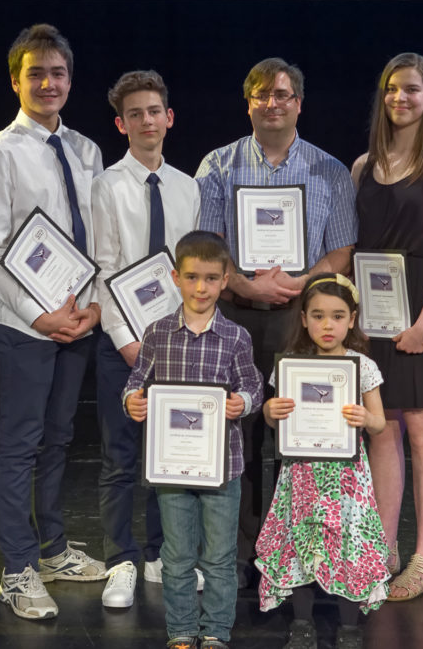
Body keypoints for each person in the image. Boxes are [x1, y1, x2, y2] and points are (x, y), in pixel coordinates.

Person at [196, 57, 357, 584]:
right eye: (262, 94)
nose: (273, 103)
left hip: (300, 322)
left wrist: (300, 284)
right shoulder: (217, 166)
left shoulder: (329, 170)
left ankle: (297, 550)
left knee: (299, 437)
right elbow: (209, 246)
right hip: (236, 320)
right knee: (238, 437)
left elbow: (341, 250)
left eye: (283, 95)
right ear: (249, 103)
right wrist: (245, 284)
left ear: (299, 104)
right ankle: (243, 555)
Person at [0, 23, 106, 620]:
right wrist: (40, 315)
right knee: (20, 444)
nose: (47, 83)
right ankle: (18, 567)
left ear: (70, 81)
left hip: (77, 323)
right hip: (24, 327)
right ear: (15, 81)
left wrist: (90, 309)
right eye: (35, 73)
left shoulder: (86, 150)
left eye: (57, 73)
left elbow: (99, 241)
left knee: (59, 439)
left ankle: (52, 547)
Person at [351, 52, 423, 601]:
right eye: (393, 89)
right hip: (373, 322)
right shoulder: (362, 166)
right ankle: (384, 547)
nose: (402, 98)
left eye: (413, 90)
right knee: (382, 431)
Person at [92, 69, 203, 608]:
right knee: (119, 457)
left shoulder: (188, 187)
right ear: (121, 124)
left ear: (169, 117)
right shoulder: (107, 186)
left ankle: (161, 554)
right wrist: (126, 342)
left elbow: (196, 274)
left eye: (153, 111)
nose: (145, 121)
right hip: (125, 347)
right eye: (134, 113)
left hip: (176, 343)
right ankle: (120, 560)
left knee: (168, 454)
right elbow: (103, 269)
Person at [124, 230, 264, 649]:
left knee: (220, 557)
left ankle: (217, 631)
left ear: (224, 280)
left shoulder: (237, 337)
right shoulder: (157, 333)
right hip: (172, 467)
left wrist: (244, 401)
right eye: (191, 277)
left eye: (210, 278)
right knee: (178, 554)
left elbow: (252, 385)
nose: (200, 287)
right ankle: (181, 629)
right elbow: (136, 381)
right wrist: (132, 400)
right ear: (175, 277)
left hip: (223, 467)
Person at [256, 273, 390, 649]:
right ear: (303, 319)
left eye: (336, 315)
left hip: (346, 476)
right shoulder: (293, 365)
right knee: (302, 538)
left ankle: (349, 626)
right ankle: (302, 624)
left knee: (348, 540)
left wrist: (366, 419)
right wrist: (271, 408)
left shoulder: (361, 365)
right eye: (317, 316)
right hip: (302, 472)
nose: (327, 325)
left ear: (352, 318)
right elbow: (273, 416)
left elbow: (379, 422)